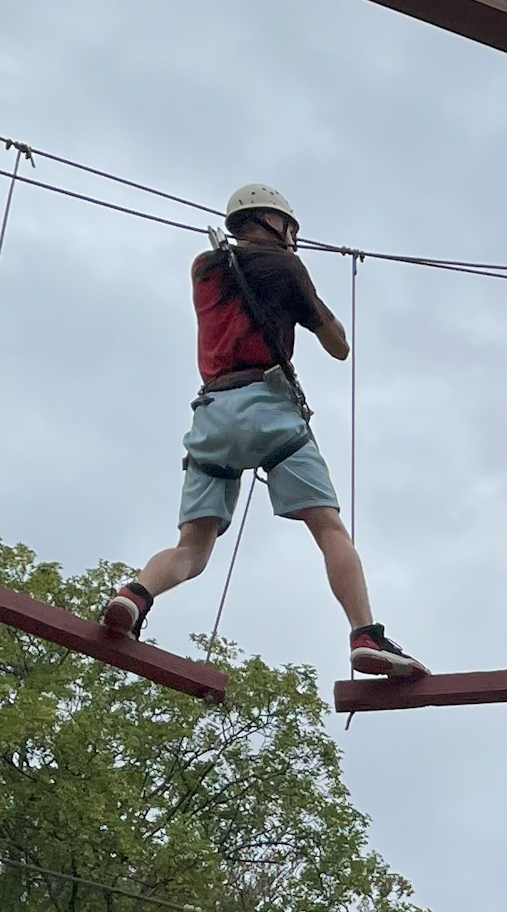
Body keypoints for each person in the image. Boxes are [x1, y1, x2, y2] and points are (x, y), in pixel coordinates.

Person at [103, 183, 423, 679]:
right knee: (328, 528)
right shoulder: (285, 267)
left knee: (194, 547)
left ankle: (135, 595)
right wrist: (314, 302)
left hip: (212, 413)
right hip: (270, 409)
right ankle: (365, 634)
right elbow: (338, 346)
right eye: (290, 228)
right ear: (274, 222)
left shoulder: (204, 268)